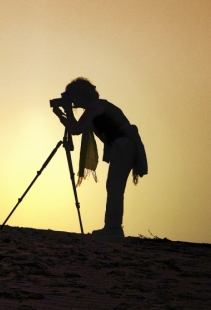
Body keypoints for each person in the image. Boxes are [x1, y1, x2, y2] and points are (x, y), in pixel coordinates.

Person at [52, 77, 145, 240]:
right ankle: (112, 227)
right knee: (114, 187)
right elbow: (77, 127)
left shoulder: (95, 108)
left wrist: (61, 115)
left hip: (122, 146)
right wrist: (65, 112)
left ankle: (113, 228)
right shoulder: (98, 106)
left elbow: (76, 129)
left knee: (114, 187)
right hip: (123, 146)